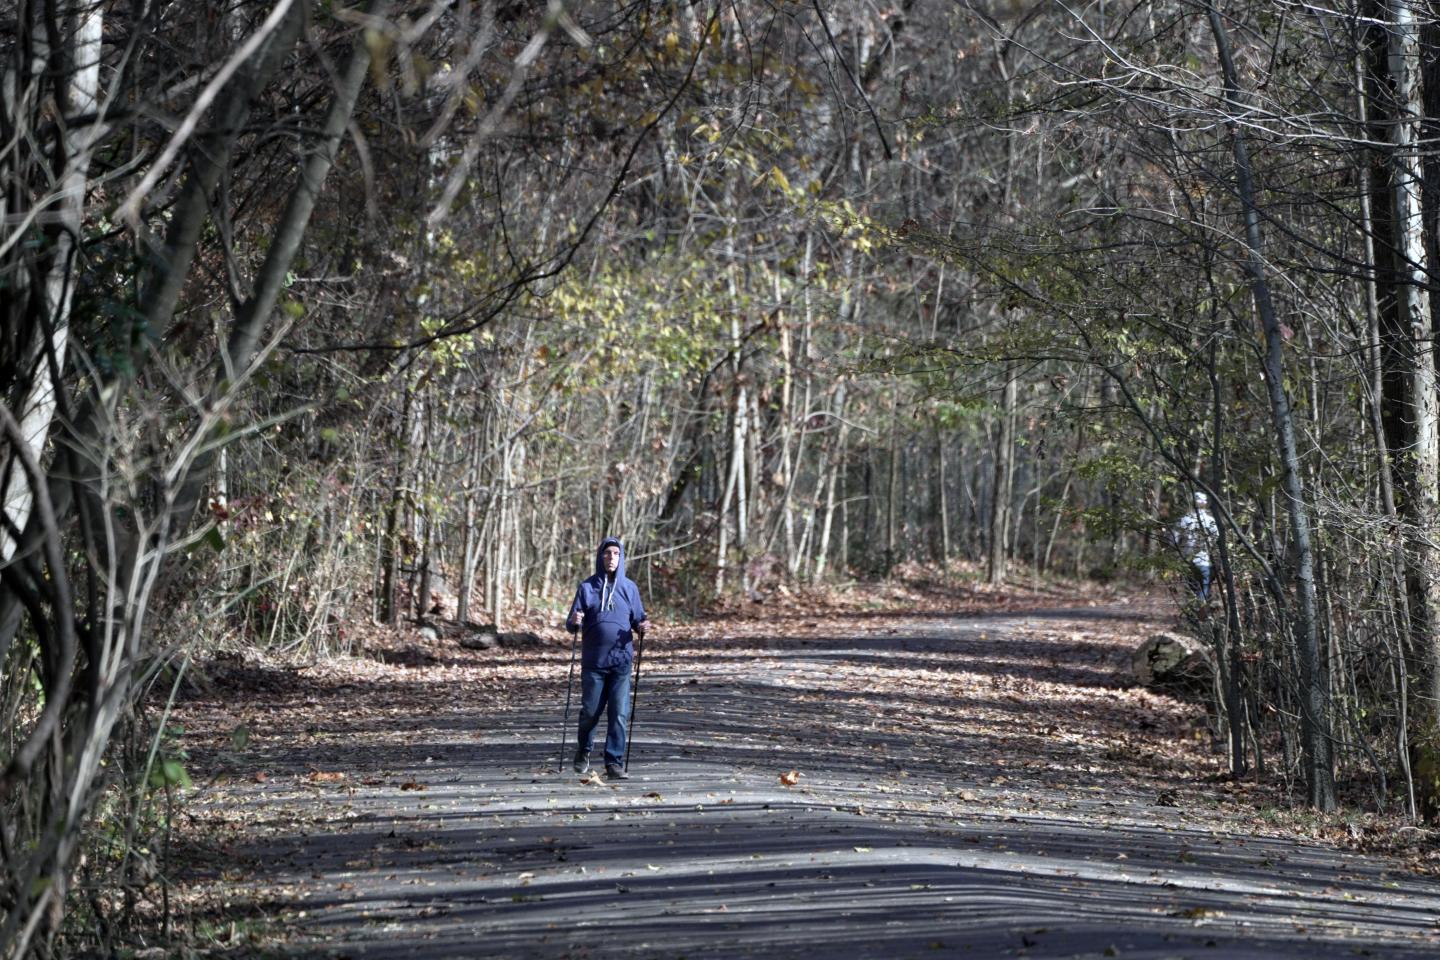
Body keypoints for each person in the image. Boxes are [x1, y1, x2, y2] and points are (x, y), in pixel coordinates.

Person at [567, 536, 650, 780]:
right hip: (593, 662)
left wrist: (643, 626)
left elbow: (638, 620)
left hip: (621, 661)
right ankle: (584, 750)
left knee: (619, 713)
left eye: (615, 554)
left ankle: (614, 762)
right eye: (607, 553)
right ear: (600, 557)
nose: (611, 558)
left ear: (621, 558)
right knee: (590, 712)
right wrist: (574, 622)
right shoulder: (587, 587)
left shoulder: (629, 588)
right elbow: (572, 623)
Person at [1172, 491, 1220, 602]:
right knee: (1204, 590)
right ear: (1205, 504)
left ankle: (1194, 615)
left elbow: (1173, 540)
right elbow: (1216, 539)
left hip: (1188, 561)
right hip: (1205, 561)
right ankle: (1203, 614)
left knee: (1191, 591)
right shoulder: (1211, 521)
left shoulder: (1184, 520)